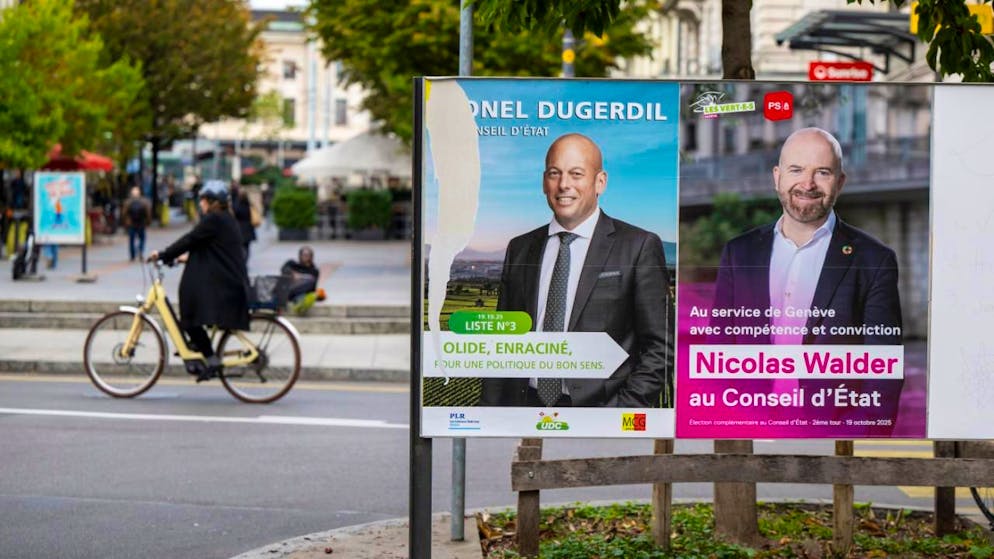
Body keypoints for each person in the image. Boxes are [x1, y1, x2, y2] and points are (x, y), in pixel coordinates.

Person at [706, 127, 902, 431]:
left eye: (822, 172)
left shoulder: (874, 260)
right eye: (796, 169)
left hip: (832, 438)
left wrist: (856, 437)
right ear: (777, 177)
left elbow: (884, 367)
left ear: (840, 182)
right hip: (747, 429)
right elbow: (718, 349)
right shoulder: (738, 253)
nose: (807, 183)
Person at [479, 133, 672, 408]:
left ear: (600, 182)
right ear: (544, 182)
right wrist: (491, 411)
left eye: (576, 173)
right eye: (554, 173)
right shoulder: (520, 248)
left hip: (600, 409)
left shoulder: (638, 246)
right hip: (524, 406)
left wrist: (620, 410)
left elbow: (660, 347)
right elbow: (503, 341)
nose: (564, 185)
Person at [148, 180, 250, 382]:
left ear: (212, 202)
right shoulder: (223, 219)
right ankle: (200, 346)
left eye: (203, 199)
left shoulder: (214, 219)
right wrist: (181, 258)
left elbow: (191, 239)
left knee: (189, 307)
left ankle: (210, 358)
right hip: (228, 277)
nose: (200, 203)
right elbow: (210, 246)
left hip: (225, 282)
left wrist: (163, 254)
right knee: (191, 304)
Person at [124, 186, 151, 262]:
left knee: (131, 240)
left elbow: (124, 214)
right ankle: (140, 251)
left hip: (131, 224)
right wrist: (148, 222)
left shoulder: (128, 202)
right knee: (142, 238)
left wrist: (126, 223)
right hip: (141, 223)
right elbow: (148, 213)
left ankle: (132, 255)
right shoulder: (144, 202)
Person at [231, 182, 256, 260]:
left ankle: (243, 260)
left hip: (240, 228)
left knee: (241, 247)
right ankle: (245, 260)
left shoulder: (237, 205)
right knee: (247, 247)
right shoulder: (249, 204)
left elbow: (235, 213)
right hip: (248, 228)